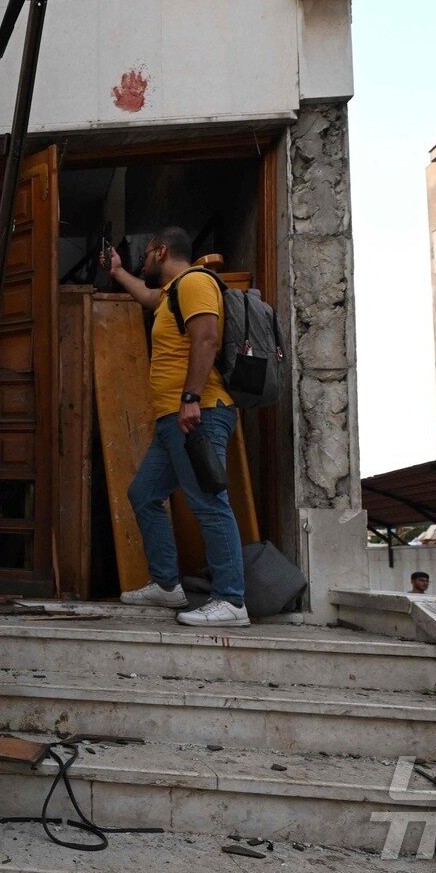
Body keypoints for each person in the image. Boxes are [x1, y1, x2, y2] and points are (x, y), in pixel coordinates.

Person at [107, 227, 248, 628]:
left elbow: (206, 339)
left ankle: (231, 601)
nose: (143, 262)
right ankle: (167, 585)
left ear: (161, 251)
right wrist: (117, 272)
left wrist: (190, 398)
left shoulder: (196, 282)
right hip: (174, 420)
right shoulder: (172, 292)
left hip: (197, 414)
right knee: (144, 494)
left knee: (209, 503)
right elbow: (147, 296)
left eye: (146, 254)